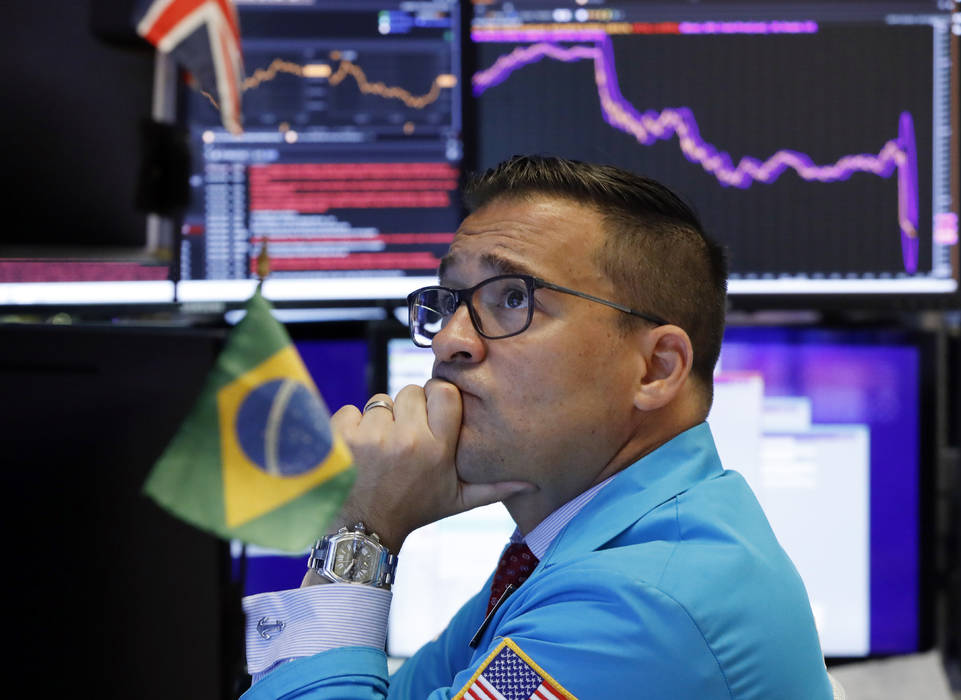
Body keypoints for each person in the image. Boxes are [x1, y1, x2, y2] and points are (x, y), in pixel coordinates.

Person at [242, 156, 833, 699]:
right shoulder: (569, 555)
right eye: (450, 299)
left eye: (513, 298)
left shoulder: (640, 606)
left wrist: (361, 534)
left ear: (656, 368)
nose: (449, 340)